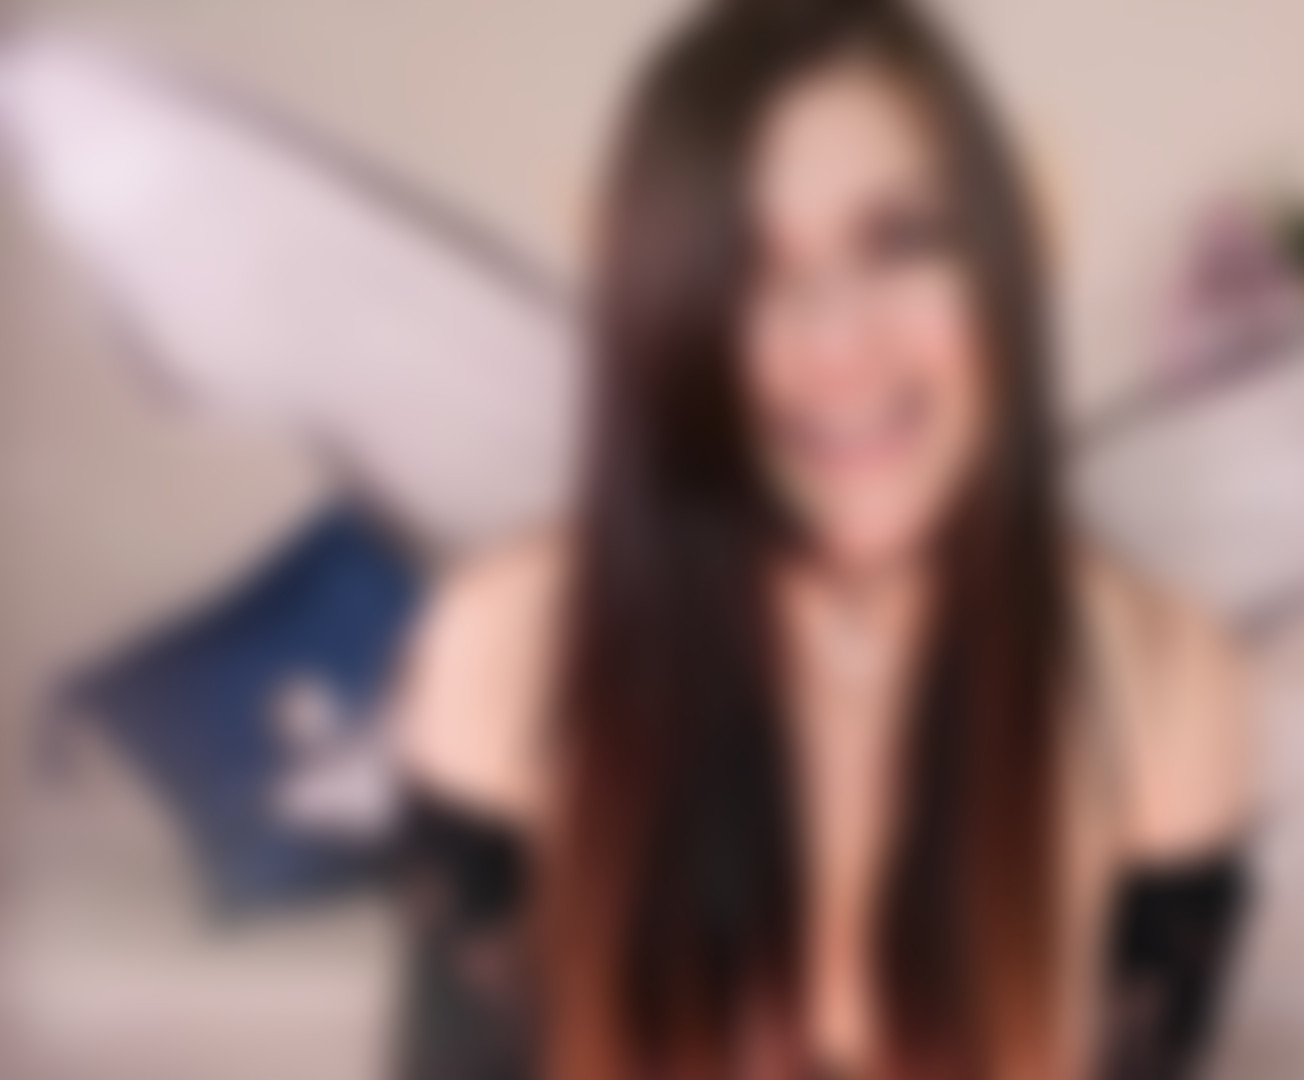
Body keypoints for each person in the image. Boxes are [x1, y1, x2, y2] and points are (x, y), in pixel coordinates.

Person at [389, 0, 1253, 1076]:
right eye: (749, 268)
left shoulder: (1163, 676)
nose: (840, 343)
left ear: (1004, 257)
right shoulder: (514, 641)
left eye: (902, 241)